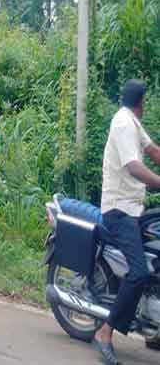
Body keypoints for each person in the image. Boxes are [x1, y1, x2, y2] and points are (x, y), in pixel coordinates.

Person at [93, 79, 160, 364]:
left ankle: (154, 332)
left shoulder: (132, 121)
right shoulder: (122, 124)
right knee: (139, 273)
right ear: (141, 102)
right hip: (119, 210)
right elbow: (134, 166)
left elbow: (153, 150)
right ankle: (105, 332)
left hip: (133, 207)